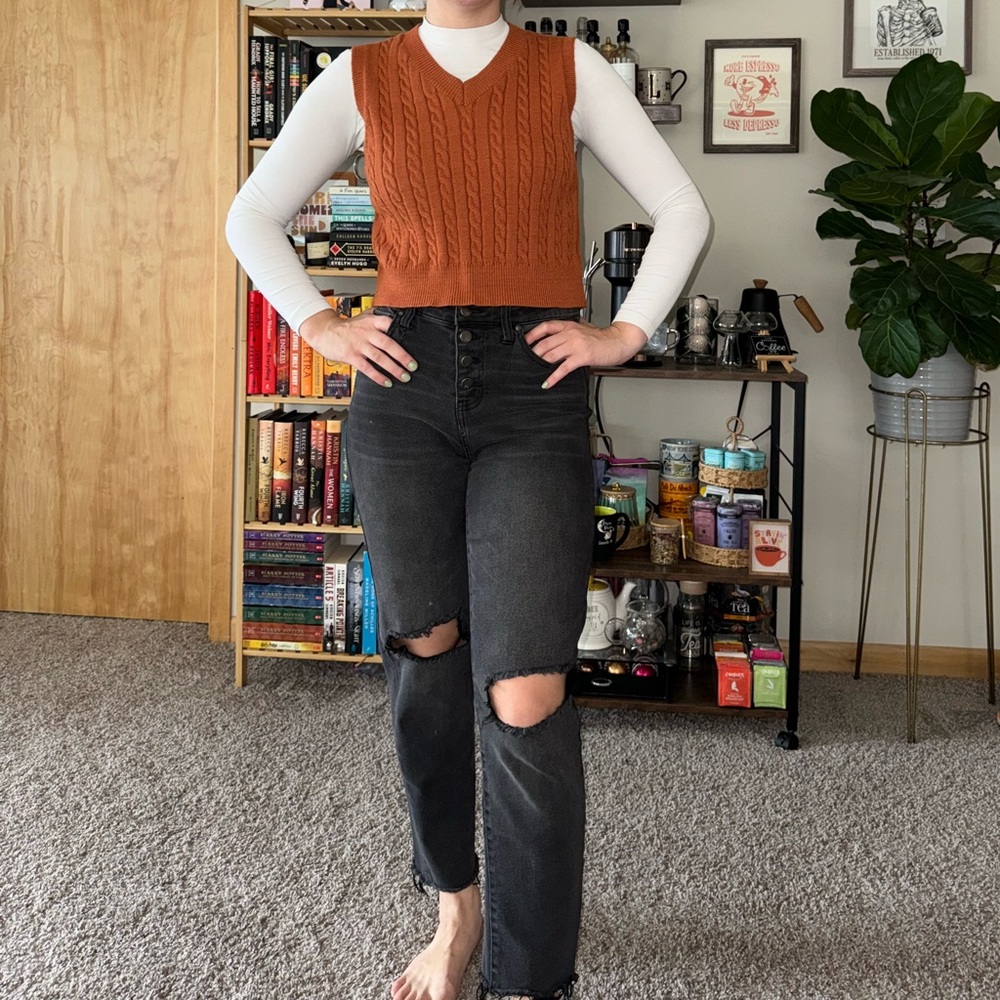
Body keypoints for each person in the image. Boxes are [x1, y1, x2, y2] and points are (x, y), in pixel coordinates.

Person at [227, 0, 710, 997]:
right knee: (425, 651)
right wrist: (321, 324)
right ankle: (457, 905)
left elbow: (683, 211)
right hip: (402, 396)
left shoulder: (565, 69)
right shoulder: (362, 77)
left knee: (526, 688)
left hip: (529, 397)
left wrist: (623, 332)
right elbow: (250, 216)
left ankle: (533, 978)